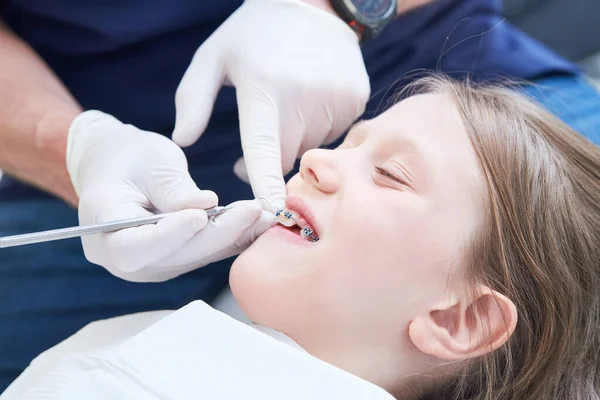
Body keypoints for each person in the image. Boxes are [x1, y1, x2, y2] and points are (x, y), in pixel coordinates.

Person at [0, 0, 598, 391]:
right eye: (346, 145)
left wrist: (334, 10)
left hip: (447, 68)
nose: (315, 156)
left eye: (388, 173)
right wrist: (78, 148)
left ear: (460, 317)